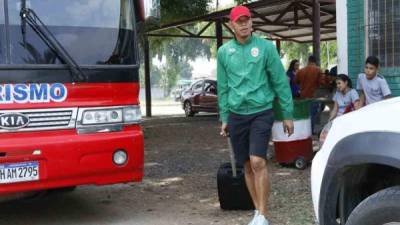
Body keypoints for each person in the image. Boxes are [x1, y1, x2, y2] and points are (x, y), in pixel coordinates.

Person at [217, 5, 294, 225]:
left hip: (261, 111)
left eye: (246, 20)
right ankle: (257, 212)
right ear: (232, 26)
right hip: (236, 114)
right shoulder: (224, 52)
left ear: (252, 22)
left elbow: (280, 80)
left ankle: (263, 215)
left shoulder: (265, 48)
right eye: (239, 21)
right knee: (247, 166)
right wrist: (224, 118)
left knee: (258, 161)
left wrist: (287, 113)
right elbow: (223, 87)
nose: (244, 24)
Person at [295, 55, 323, 134]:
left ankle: (303, 131)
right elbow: (321, 83)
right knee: (312, 115)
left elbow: (296, 81)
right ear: (315, 61)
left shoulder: (301, 71)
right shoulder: (318, 70)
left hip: (303, 96)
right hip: (313, 96)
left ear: (308, 61)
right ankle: (310, 131)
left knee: (304, 115)